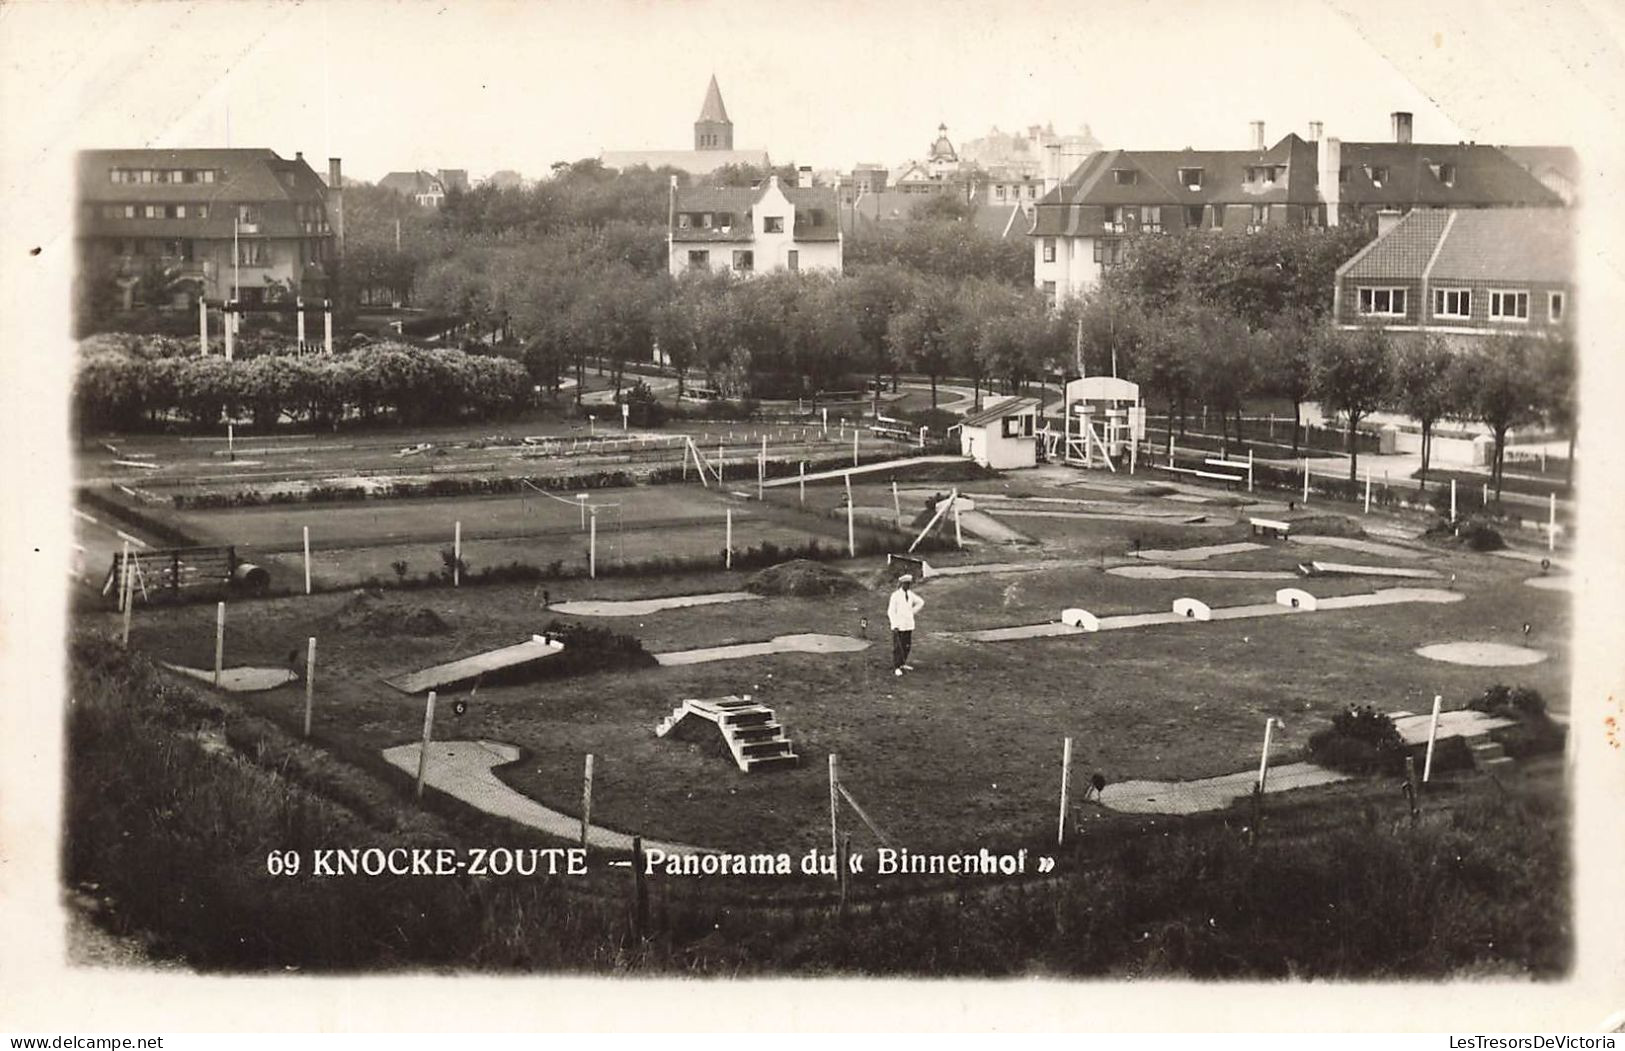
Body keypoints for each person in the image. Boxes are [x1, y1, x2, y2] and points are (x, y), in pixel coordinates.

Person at [887, 573, 925, 676]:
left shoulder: (910, 594)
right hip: (899, 626)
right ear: (901, 584)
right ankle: (897, 666)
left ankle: (903, 663)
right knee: (898, 646)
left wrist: (911, 612)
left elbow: (921, 602)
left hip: (908, 625)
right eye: (905, 584)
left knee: (907, 646)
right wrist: (894, 625)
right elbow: (891, 611)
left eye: (909, 584)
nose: (907, 586)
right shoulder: (895, 595)